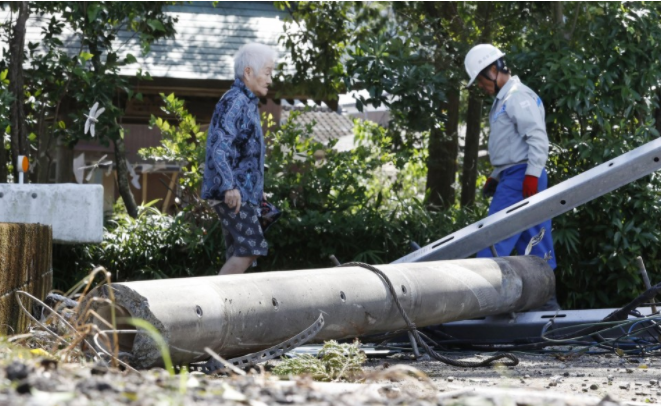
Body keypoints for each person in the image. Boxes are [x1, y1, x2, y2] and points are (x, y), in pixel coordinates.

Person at [464, 44, 557, 274]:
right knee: (535, 240)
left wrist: (532, 175)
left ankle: (481, 296)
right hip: (517, 175)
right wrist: (496, 176)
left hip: (521, 177)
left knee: (494, 237)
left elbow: (537, 137)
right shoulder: (504, 100)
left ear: (493, 69)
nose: (480, 86)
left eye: (480, 79)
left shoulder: (517, 96)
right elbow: (511, 147)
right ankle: (546, 300)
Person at [201, 43, 278, 275]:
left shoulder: (246, 102)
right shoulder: (235, 101)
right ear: (248, 72)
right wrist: (228, 185)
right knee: (250, 247)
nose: (270, 79)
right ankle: (214, 304)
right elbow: (219, 147)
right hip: (232, 192)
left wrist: (256, 189)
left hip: (241, 191)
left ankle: (230, 308)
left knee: (239, 250)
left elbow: (243, 152)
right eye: (267, 72)